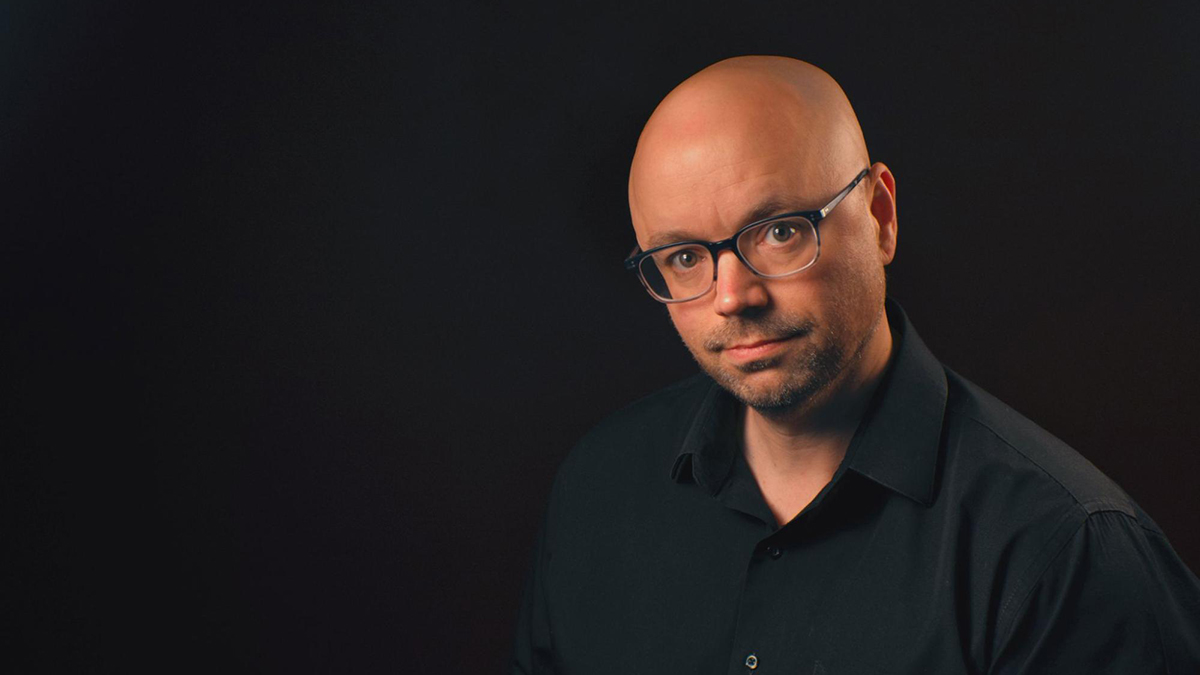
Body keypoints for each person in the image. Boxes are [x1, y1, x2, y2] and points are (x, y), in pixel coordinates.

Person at [511, 56, 1200, 674]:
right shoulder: (596, 490)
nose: (733, 297)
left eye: (781, 231)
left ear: (880, 215)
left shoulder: (1066, 551)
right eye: (685, 257)